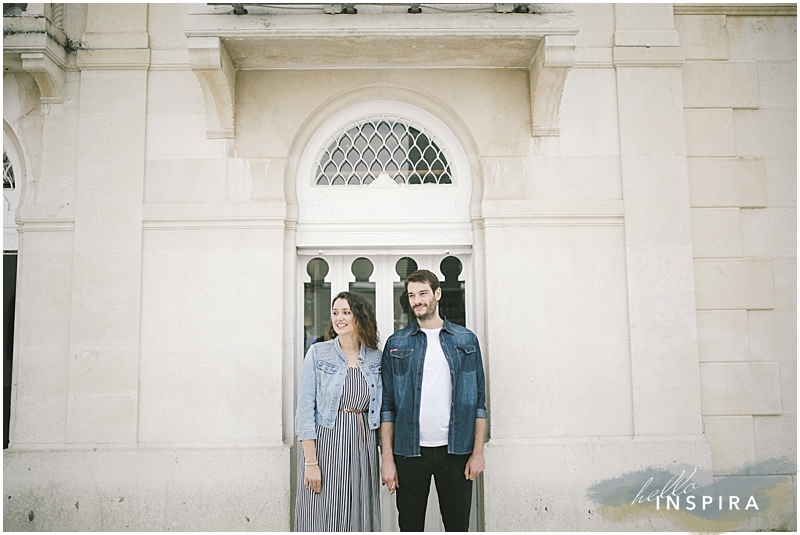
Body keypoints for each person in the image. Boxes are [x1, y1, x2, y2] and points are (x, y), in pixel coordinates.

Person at [380, 269, 487, 531]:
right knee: (410, 526)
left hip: (456, 452)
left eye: (423, 293)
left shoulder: (466, 340)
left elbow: (480, 402)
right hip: (408, 452)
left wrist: (478, 453)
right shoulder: (396, 344)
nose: (417, 300)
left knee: (457, 525)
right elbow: (387, 407)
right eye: (411, 295)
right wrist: (387, 459)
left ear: (437, 294)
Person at [294, 291, 383, 532]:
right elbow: (304, 410)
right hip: (326, 445)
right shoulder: (318, 353)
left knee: (358, 512)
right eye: (335, 313)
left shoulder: (376, 358)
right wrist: (310, 463)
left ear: (359, 316)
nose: (339, 318)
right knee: (324, 512)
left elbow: (384, 411)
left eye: (346, 312)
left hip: (362, 447)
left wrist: (388, 459)